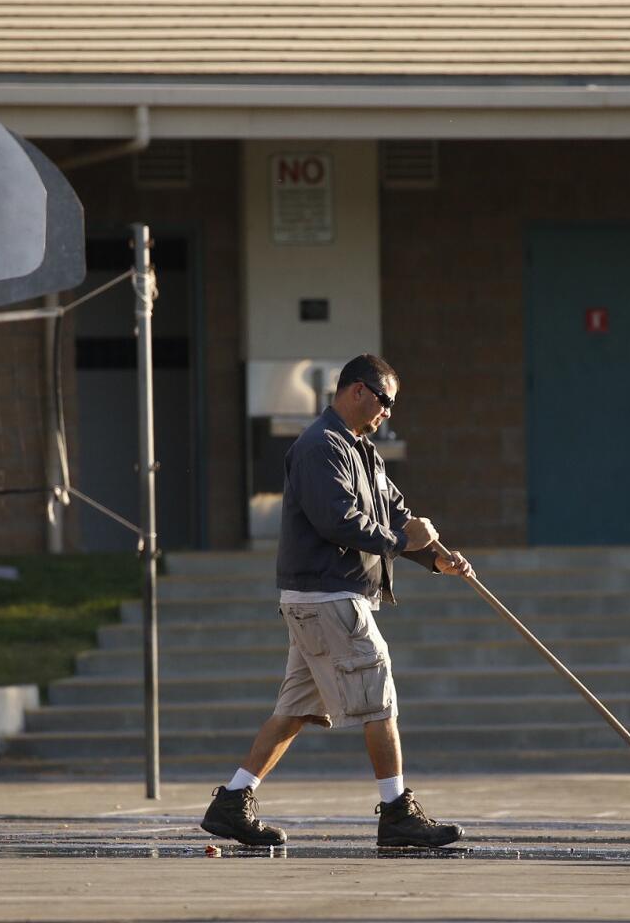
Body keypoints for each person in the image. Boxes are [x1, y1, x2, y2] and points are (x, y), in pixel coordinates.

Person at [201, 353, 475, 849]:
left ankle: (231, 804)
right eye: (385, 401)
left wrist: (437, 558)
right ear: (357, 391)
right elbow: (339, 522)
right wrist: (402, 541)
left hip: (325, 597)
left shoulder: (363, 451)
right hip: (328, 596)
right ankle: (396, 812)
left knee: (295, 709)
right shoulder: (319, 447)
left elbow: (397, 515)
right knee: (378, 696)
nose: (388, 412)